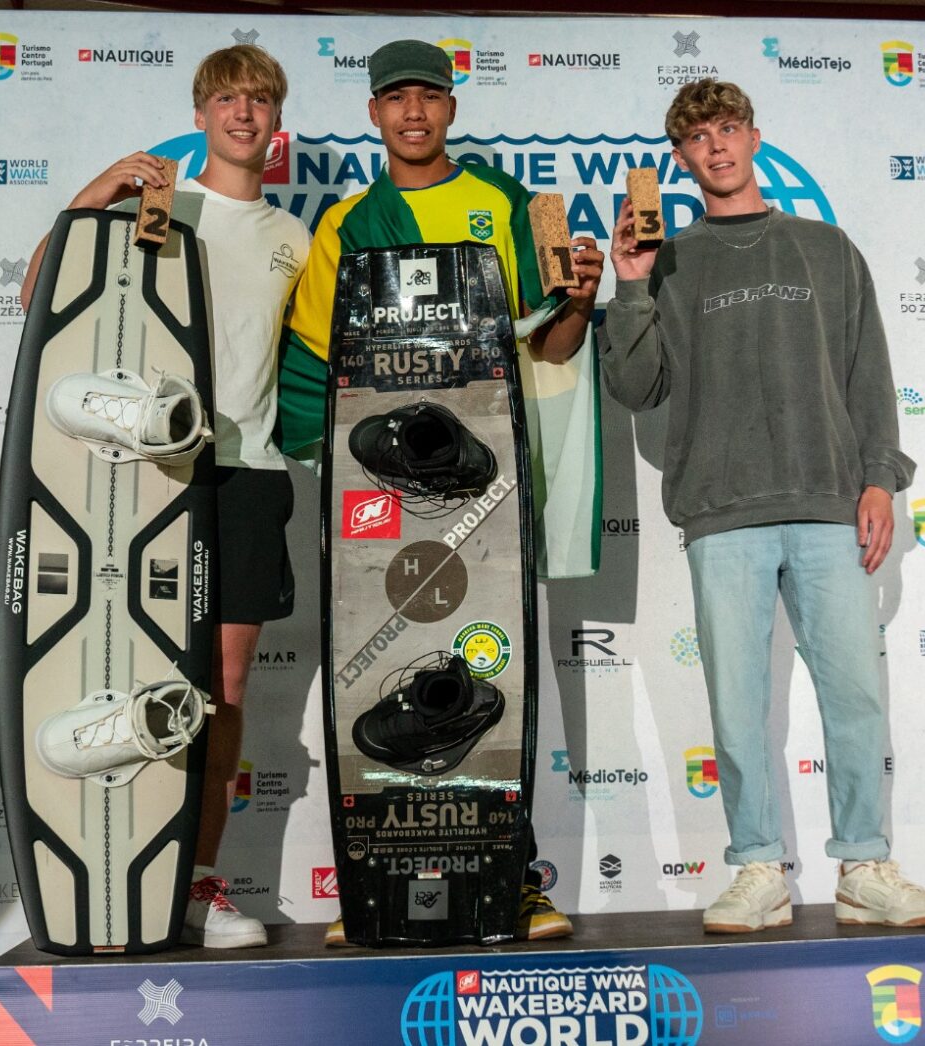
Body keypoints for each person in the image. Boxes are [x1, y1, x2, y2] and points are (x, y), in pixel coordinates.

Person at [599, 78, 925, 932]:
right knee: (735, 705)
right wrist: (632, 285)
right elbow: (636, 388)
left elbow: (868, 374)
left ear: (754, 137)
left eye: (727, 129)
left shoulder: (827, 249)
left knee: (855, 698)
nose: (715, 147)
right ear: (680, 159)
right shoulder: (670, 259)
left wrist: (879, 478)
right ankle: (757, 866)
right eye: (697, 138)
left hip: (830, 503)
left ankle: (864, 866)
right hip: (721, 510)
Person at [276, 39, 605, 944]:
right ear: (374, 114)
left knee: (487, 673)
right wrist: (324, 461)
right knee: (374, 677)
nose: (413, 112)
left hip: (487, 475)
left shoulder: (511, 202)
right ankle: (370, 886)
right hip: (380, 483)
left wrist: (580, 300)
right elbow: (312, 364)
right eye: (396, 99)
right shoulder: (346, 224)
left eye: (428, 95)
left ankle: (515, 881)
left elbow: (555, 341)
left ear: (452, 107)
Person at [20, 43, 310, 948]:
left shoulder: (295, 238)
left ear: (276, 122)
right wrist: (93, 194)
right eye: (227, 99)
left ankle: (200, 884)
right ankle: (115, 875)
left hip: (247, 470)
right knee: (122, 670)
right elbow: (41, 298)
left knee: (221, 689)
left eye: (258, 101)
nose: (243, 114)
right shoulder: (160, 208)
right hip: (144, 470)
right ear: (200, 115)